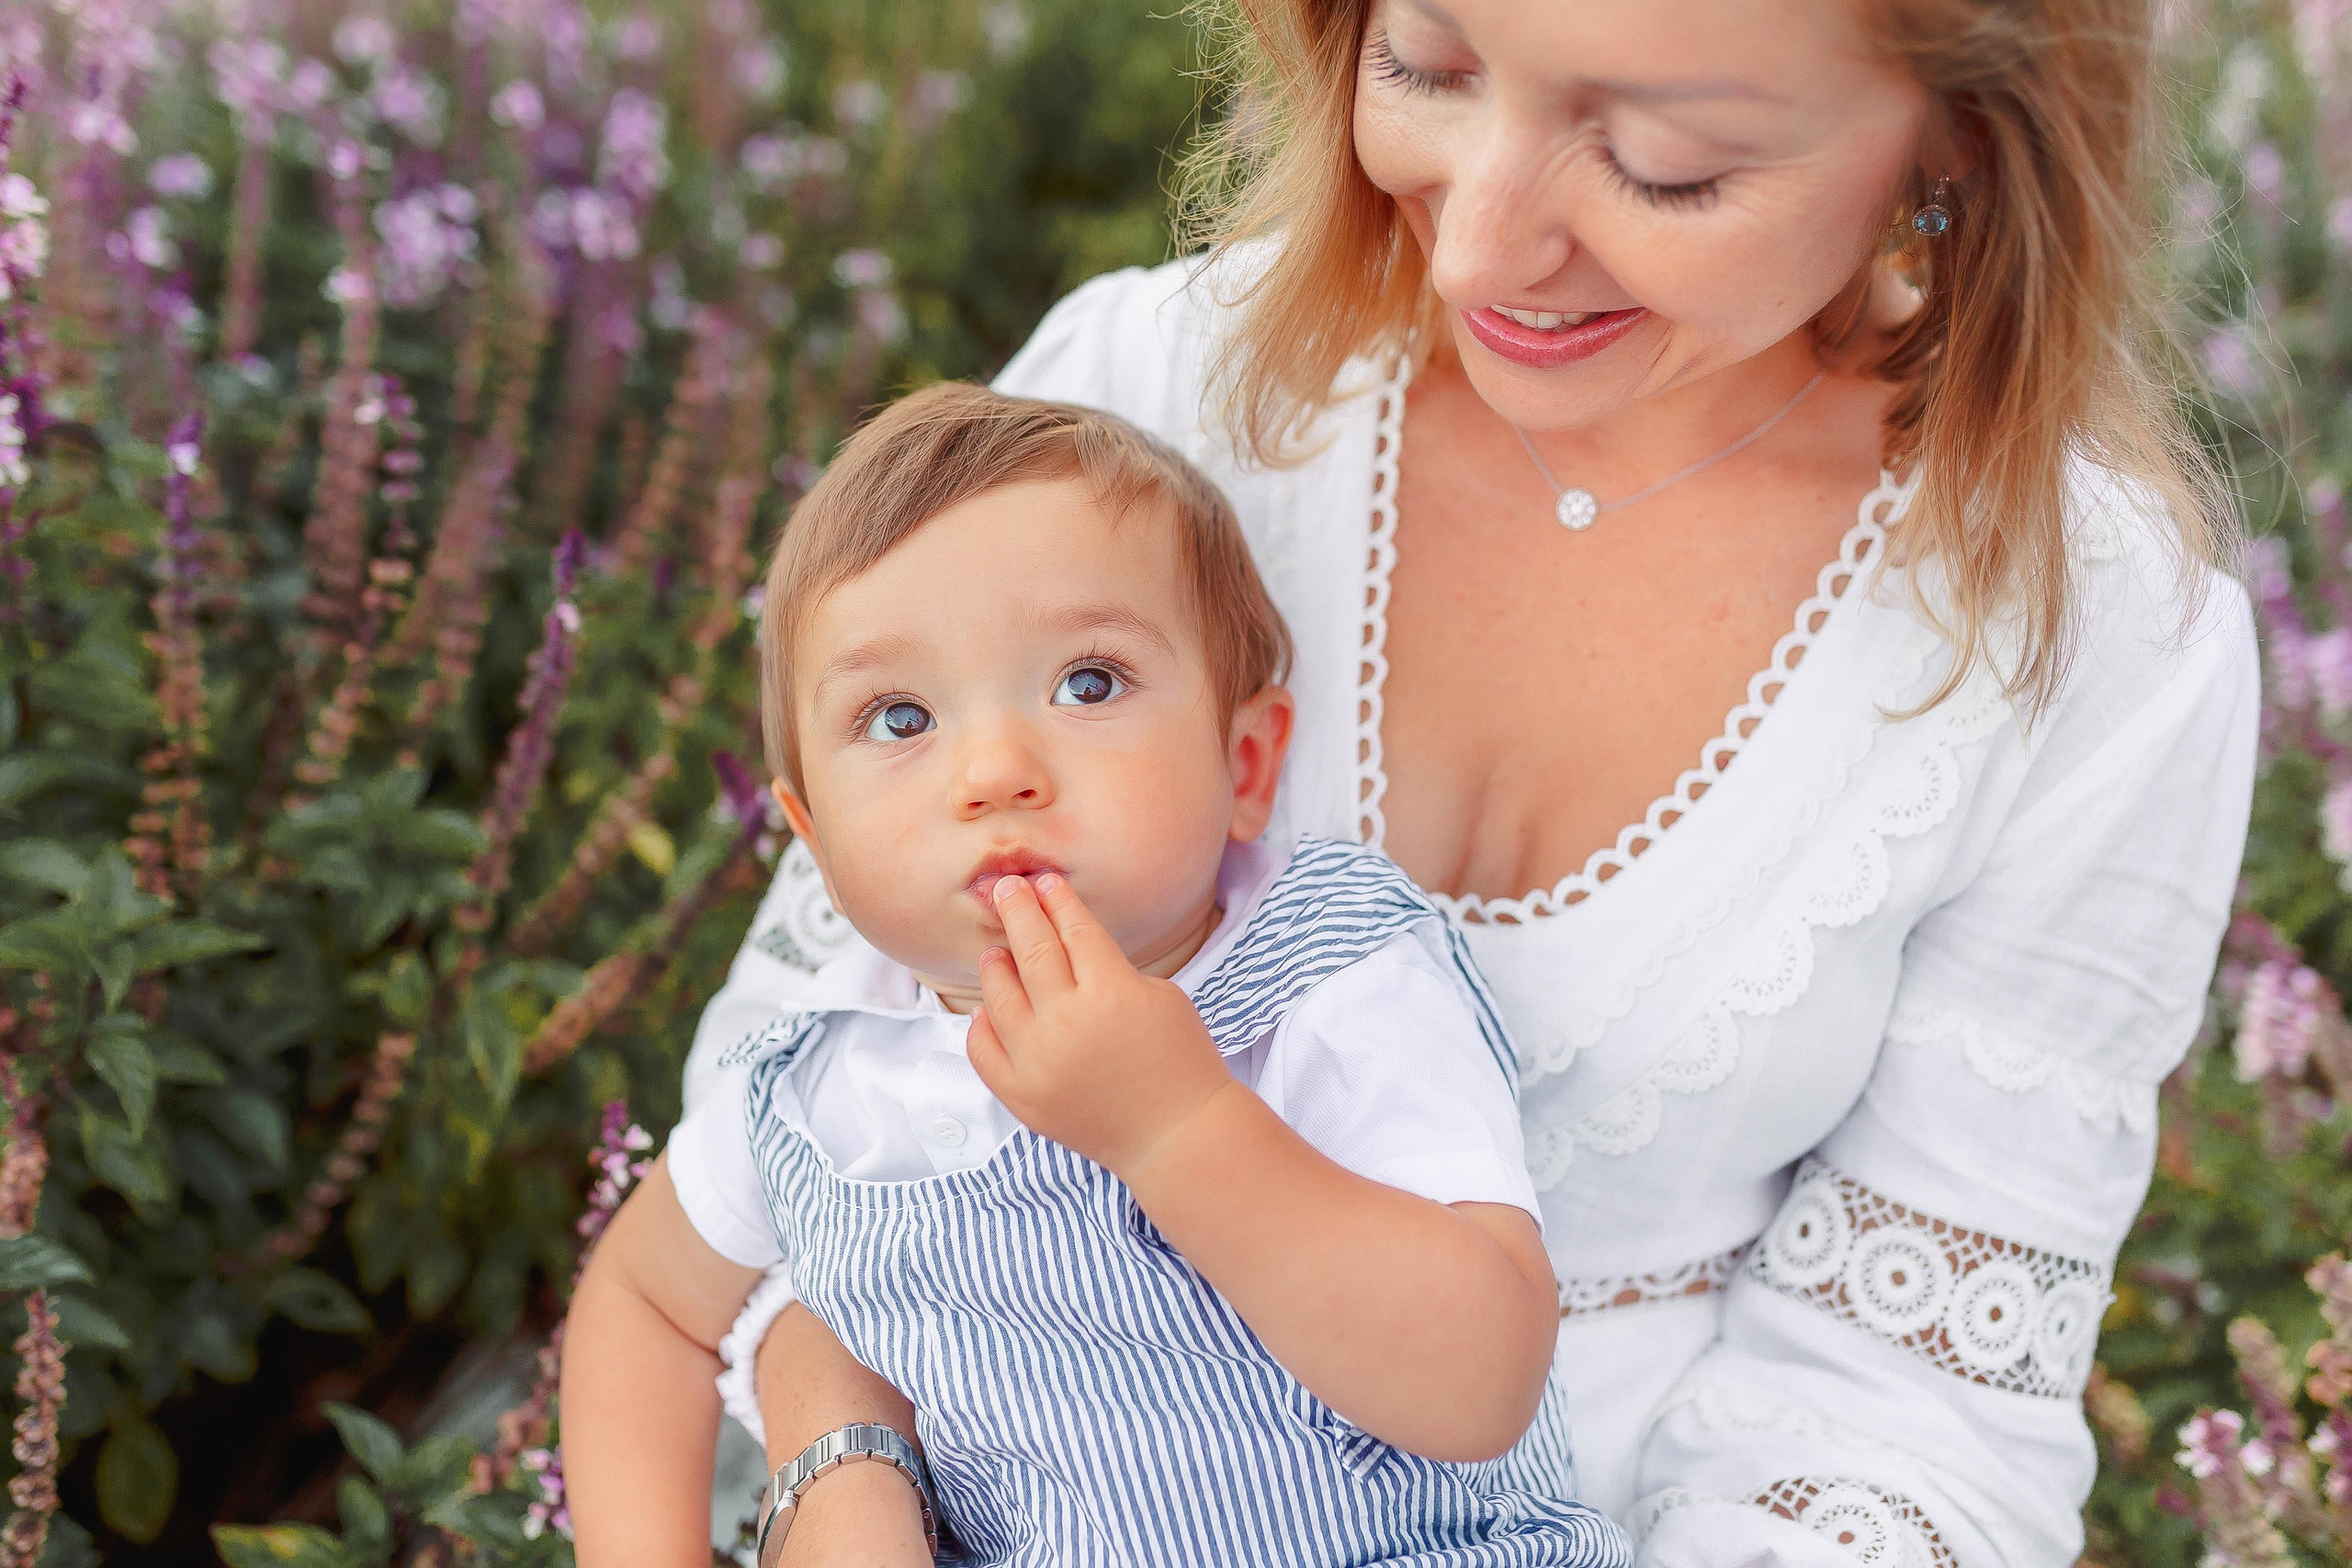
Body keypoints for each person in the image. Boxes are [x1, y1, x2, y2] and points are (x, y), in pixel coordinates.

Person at [695, 1, 2261, 1562]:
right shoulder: (1132, 412)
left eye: (1664, 165)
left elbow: (1916, 1407)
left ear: (1961, 136)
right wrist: (846, 1465)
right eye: (1427, 70)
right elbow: (804, 1107)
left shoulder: (2093, 627)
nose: (1478, 255)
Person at [563, 385, 1634, 1568]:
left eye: (1088, 683)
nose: (994, 768)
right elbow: (645, 1304)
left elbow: (1479, 1385)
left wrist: (1177, 1128)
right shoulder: (819, 1086)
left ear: (1246, 765)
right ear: (813, 842)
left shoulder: (1329, 974)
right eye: (900, 714)